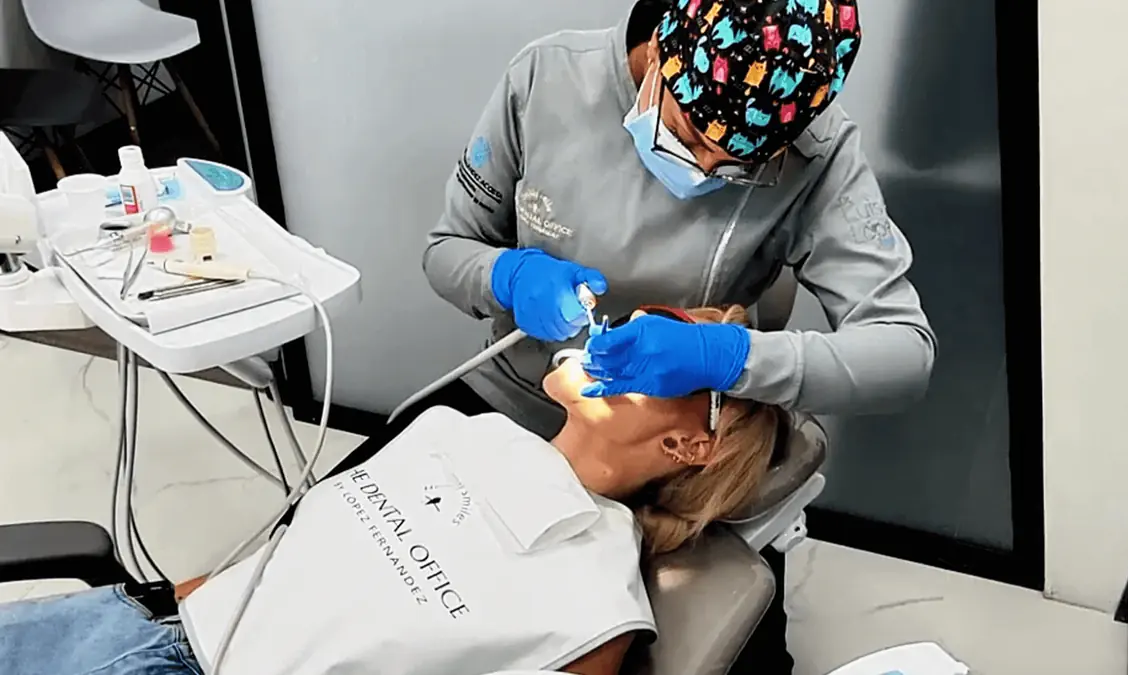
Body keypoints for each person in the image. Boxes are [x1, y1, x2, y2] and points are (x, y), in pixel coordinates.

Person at [366, 0, 936, 672]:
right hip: (508, 400)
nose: (700, 168)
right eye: (690, 133)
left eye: (732, 167)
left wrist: (725, 356)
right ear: (664, 45)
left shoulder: (817, 152)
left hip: (654, 474)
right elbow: (447, 249)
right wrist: (507, 276)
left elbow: (903, 353)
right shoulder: (546, 79)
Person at [0, 306, 793, 675]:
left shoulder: (598, 604)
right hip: (142, 622)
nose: (618, 334)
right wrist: (148, 604)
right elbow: (298, 559)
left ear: (692, 443)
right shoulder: (451, 425)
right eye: (635, 316)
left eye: (662, 346)